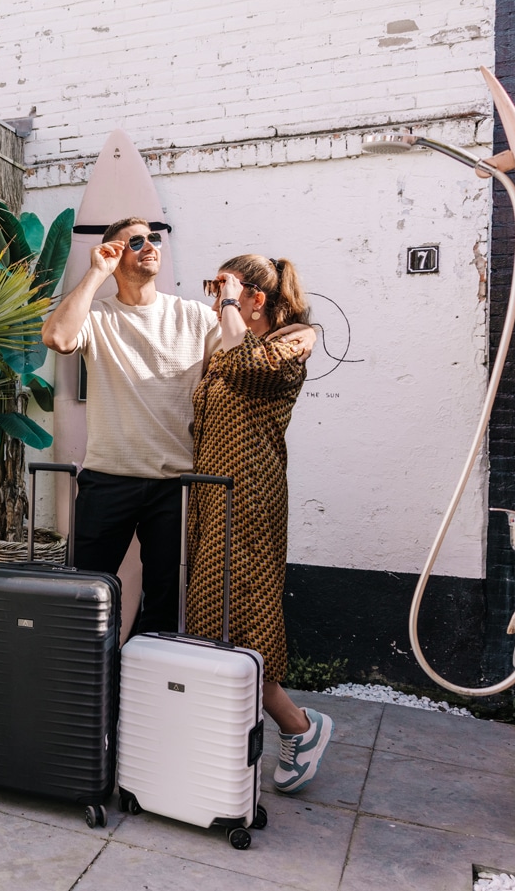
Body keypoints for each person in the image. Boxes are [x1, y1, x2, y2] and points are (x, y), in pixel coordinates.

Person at [40, 218, 313, 637]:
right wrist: (96, 273)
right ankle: (86, 690)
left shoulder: (193, 317)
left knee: (165, 605)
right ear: (114, 253)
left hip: (176, 488)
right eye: (135, 240)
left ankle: (144, 691)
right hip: (107, 480)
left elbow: (247, 359)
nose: (149, 245)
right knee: (83, 592)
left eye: (153, 237)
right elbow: (57, 337)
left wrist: (308, 330)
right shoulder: (98, 317)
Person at [188, 255, 333, 793]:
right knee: (212, 613)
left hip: (250, 497)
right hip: (212, 496)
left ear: (256, 298)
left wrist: (228, 307)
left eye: (222, 288)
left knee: (244, 613)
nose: (215, 298)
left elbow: (244, 363)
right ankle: (229, 741)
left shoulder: (293, 341)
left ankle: (299, 726)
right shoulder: (231, 344)